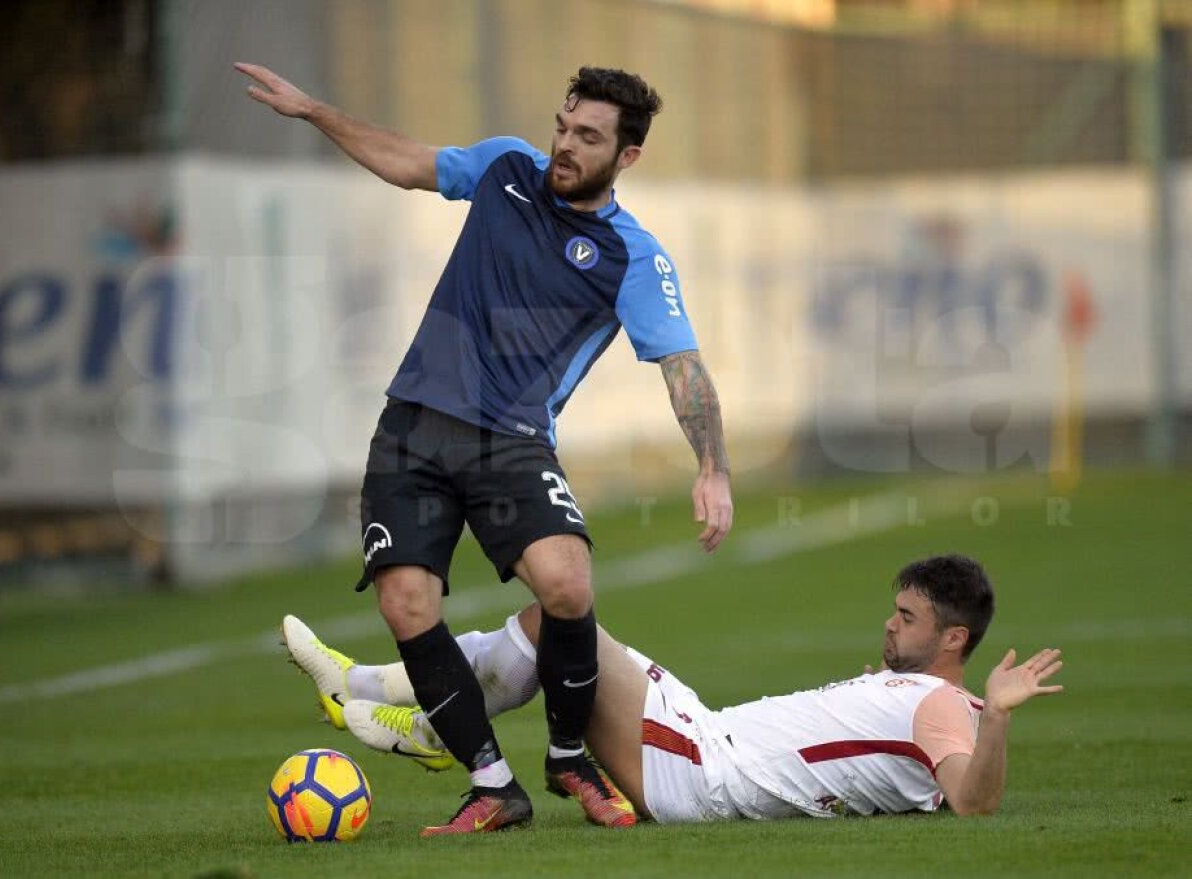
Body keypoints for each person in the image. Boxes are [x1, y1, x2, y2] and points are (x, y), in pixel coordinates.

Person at [238, 61, 734, 835]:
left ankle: (569, 757)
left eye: (588, 137)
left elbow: (682, 366)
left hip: (512, 438)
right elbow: (409, 163)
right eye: (564, 125)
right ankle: (492, 783)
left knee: (567, 584)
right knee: (407, 602)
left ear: (627, 156)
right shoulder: (507, 167)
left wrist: (712, 466)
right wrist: (313, 112)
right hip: (413, 424)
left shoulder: (634, 257)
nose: (563, 145)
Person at [283, 554, 1064, 823]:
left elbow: (973, 801)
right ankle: (404, 708)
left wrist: (995, 714)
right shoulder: (912, 690)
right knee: (554, 622)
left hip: (700, 768)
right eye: (894, 611)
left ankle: (414, 717)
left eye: (909, 617)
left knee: (564, 619)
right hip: (702, 733)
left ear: (955, 640)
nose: (890, 627)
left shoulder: (943, 707)